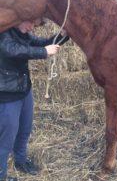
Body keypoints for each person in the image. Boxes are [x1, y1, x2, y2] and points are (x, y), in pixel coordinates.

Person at [0, 21, 69, 181]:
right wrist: (43, 52)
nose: (32, 27)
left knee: (24, 130)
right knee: (5, 140)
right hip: (7, 95)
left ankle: (21, 161)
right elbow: (13, 50)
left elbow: (42, 43)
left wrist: (62, 36)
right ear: (19, 18)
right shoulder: (3, 32)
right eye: (30, 23)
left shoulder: (22, 33)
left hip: (24, 90)